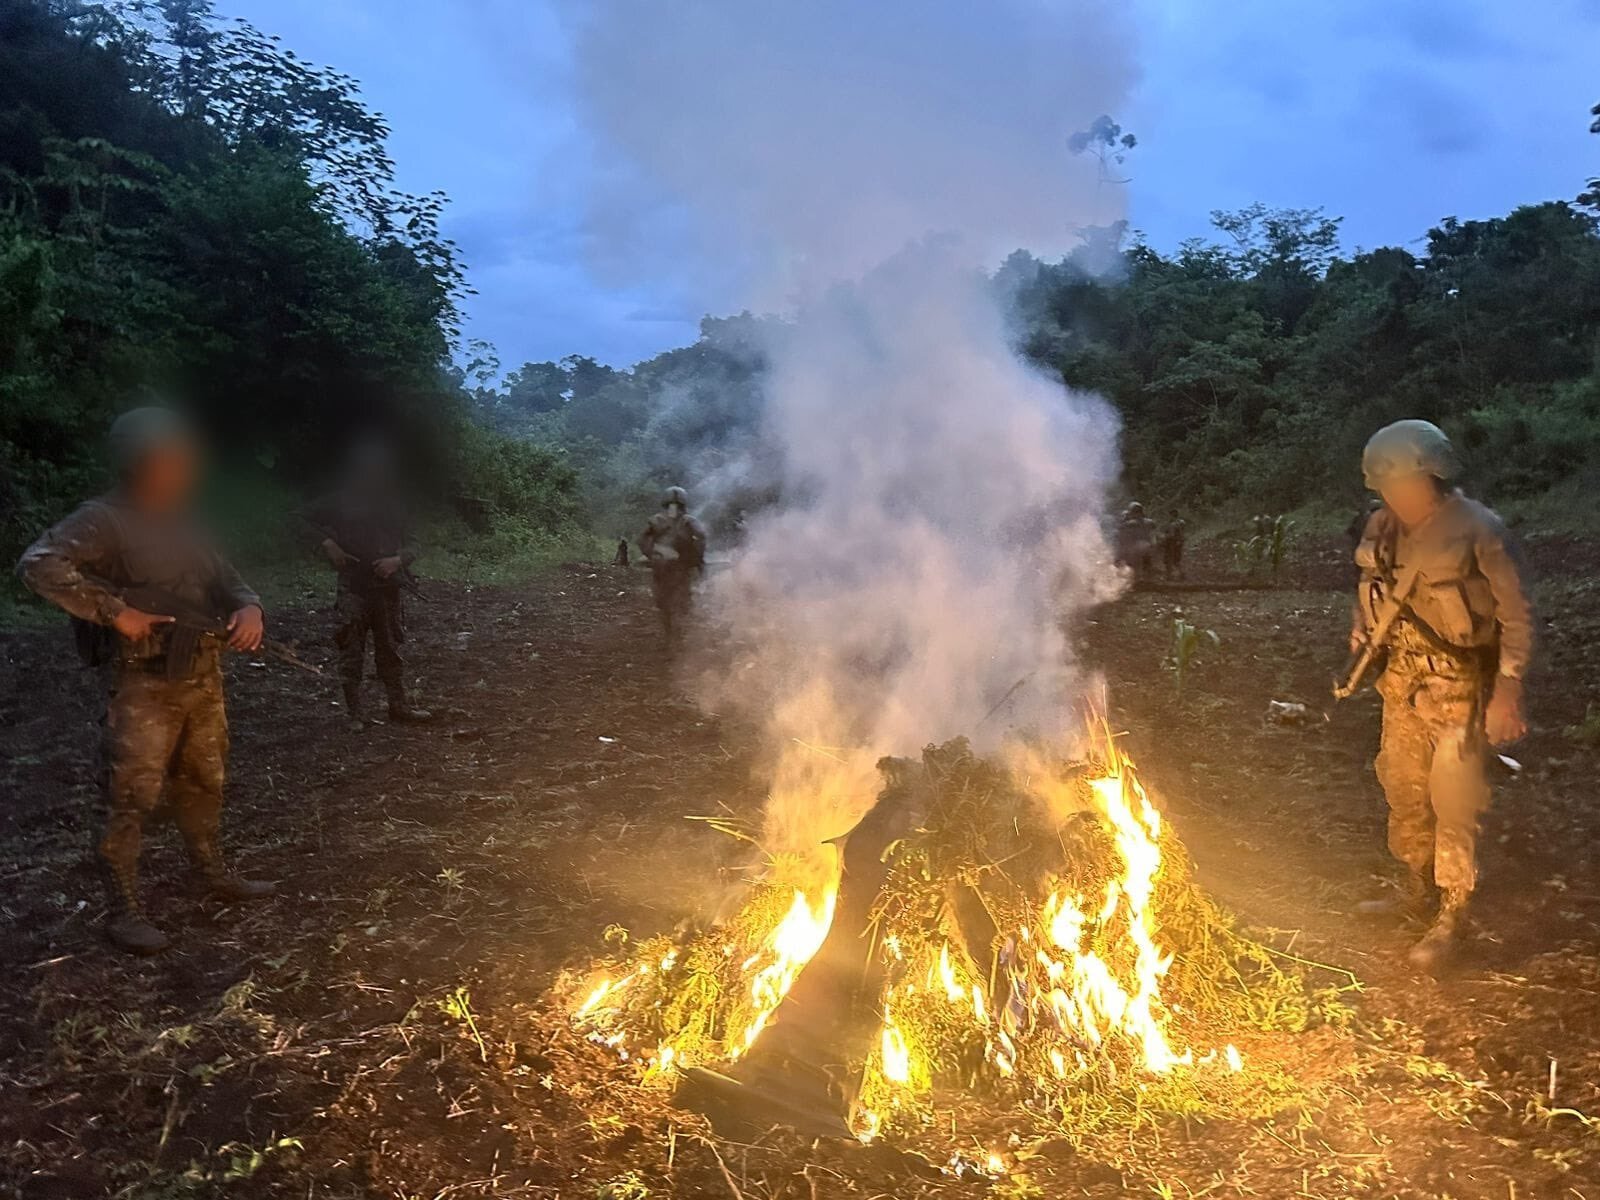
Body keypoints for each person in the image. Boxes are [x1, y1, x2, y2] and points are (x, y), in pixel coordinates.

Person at [16, 407, 275, 955]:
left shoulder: (186, 519)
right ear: (135, 461)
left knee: (204, 778)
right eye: (167, 458)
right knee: (129, 793)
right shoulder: (103, 519)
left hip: (201, 673)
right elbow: (39, 564)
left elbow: (228, 581)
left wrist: (249, 608)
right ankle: (123, 909)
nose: (179, 468)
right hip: (142, 682)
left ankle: (211, 871)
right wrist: (114, 611)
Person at [1351, 419, 1533, 969]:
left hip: (1460, 689)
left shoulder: (1478, 529)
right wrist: (1361, 626)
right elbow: (1368, 589)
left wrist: (1508, 690)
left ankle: (1453, 912)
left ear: (1433, 474)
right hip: (1401, 686)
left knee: (1453, 799)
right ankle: (1415, 887)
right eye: (1386, 487)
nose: (1395, 496)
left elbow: (1518, 615)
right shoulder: (1380, 527)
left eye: (1405, 484)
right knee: (1402, 785)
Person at [300, 441, 433, 730]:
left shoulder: (397, 504)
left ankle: (398, 706)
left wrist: (397, 561)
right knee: (351, 647)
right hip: (354, 586)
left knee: (390, 648)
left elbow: (416, 542)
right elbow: (296, 519)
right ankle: (354, 713)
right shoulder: (339, 501)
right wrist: (327, 544)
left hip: (387, 587)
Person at [639, 485, 708, 642]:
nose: (673, 508)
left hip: (665, 567)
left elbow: (642, 540)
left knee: (664, 601)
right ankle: (678, 634)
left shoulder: (656, 520)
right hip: (679, 567)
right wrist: (697, 559)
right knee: (681, 600)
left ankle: (671, 632)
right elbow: (701, 538)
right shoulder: (689, 521)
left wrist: (651, 554)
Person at [1115, 501, 1156, 580]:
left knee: (1129, 562)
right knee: (1146, 563)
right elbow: (1152, 532)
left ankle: (1134, 579)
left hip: (1135, 547)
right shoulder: (1150, 522)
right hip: (1148, 546)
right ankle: (1147, 579)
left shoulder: (1130, 523)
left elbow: (1122, 533)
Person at [1158, 508, 1187, 580]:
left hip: (1171, 543)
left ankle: (1169, 576)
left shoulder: (1173, 524)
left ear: (1171, 515)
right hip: (1179, 543)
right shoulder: (1181, 522)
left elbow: (1171, 535)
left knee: (1168, 560)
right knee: (1176, 560)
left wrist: (1163, 538)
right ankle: (1181, 574)